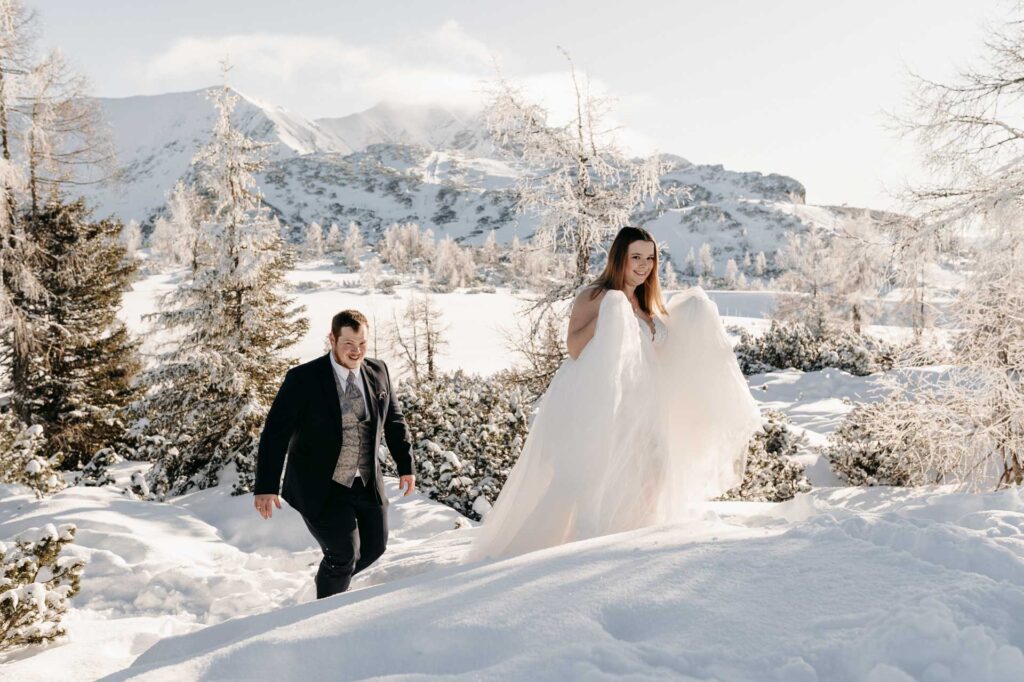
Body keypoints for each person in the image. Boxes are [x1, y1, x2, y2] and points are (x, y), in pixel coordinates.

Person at [463, 226, 762, 562]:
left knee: (655, 471)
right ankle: (583, 548)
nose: (644, 265)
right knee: (597, 479)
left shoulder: (647, 303)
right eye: (636, 257)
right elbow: (575, 347)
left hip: (646, 404)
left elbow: (654, 355)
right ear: (619, 257)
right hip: (605, 403)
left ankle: (637, 540)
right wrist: (611, 314)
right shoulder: (596, 296)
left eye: (650, 258)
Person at [253, 309, 416, 598]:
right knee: (342, 555)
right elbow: (275, 433)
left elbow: (393, 420)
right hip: (320, 486)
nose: (357, 352)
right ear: (332, 339)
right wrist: (266, 487)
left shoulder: (379, 371)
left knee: (375, 548)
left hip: (364, 481)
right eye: (349, 344)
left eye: (363, 344)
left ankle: (333, 581)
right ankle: (324, 611)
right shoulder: (303, 379)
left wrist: (406, 465)